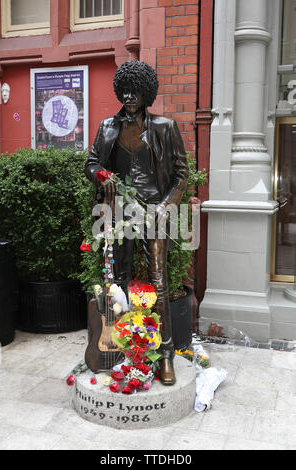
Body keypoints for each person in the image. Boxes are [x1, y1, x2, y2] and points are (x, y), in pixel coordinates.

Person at [85, 60, 189, 385]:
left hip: (154, 211)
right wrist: (103, 177)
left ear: (147, 92)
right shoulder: (107, 127)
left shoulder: (164, 127)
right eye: (125, 90)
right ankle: (126, 349)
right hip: (119, 213)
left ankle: (166, 355)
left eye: (136, 90)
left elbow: (181, 174)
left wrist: (165, 206)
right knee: (120, 282)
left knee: (158, 283)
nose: (129, 96)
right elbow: (92, 163)